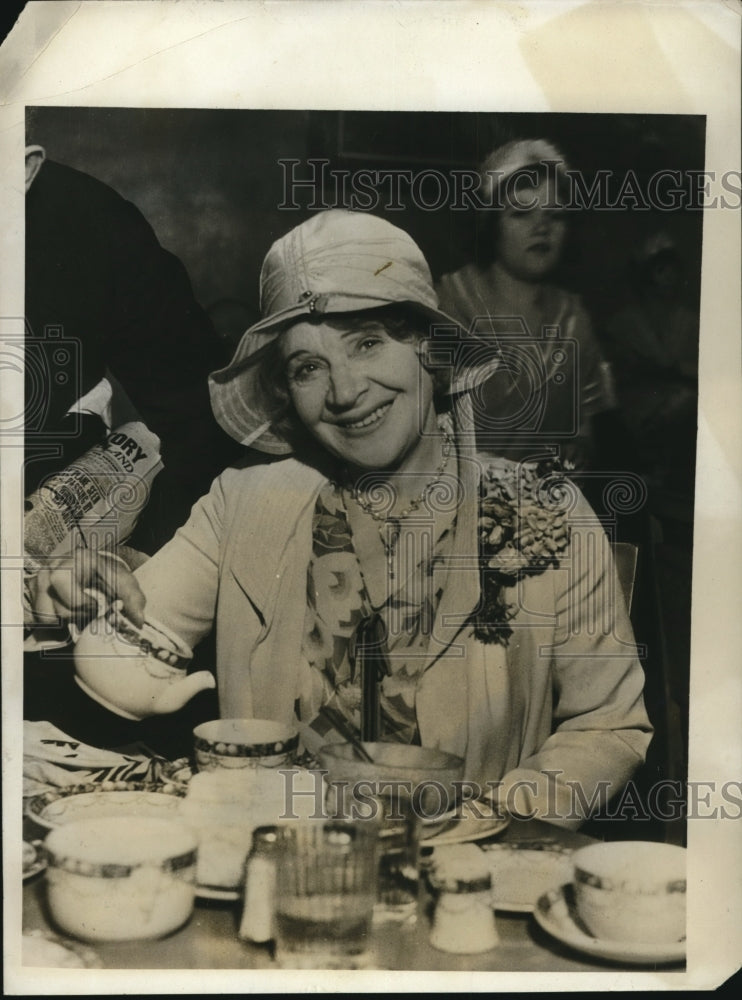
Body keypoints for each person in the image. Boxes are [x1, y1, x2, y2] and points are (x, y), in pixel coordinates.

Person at [28, 210, 652, 827]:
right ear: (286, 392)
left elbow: (608, 726)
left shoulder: (540, 511)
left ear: (428, 349)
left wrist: (488, 825)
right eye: (308, 367)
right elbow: (137, 633)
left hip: (465, 866)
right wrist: (83, 596)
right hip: (283, 863)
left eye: (367, 343)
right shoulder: (246, 499)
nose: (346, 392)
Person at [436, 139, 614, 470]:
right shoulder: (449, 302)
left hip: (548, 496)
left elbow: (587, 424)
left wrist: (578, 447)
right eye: (521, 213)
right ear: (490, 223)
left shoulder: (573, 317)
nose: (542, 228)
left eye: (555, 215)